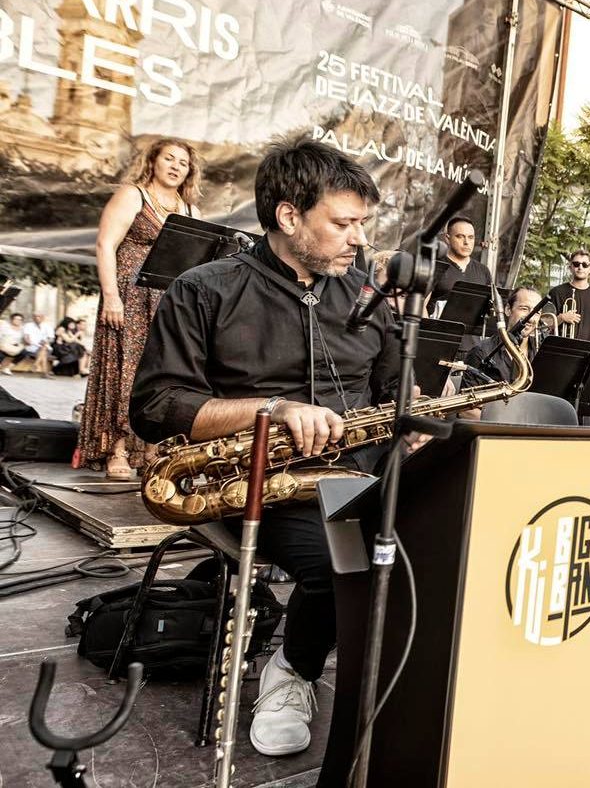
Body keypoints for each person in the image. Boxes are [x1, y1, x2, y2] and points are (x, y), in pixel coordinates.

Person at [130, 137, 399, 757]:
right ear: (288, 216)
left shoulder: (363, 294)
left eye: (362, 223)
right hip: (257, 480)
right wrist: (271, 410)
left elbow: (391, 392)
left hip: (358, 471)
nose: (359, 239)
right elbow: (156, 405)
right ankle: (293, 669)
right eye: (343, 224)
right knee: (342, 566)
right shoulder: (204, 289)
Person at [77, 138, 202, 479]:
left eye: (183, 163)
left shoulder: (191, 211)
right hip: (128, 293)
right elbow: (105, 244)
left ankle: (150, 449)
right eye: (169, 159)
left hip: (167, 299)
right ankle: (117, 449)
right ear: (154, 161)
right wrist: (111, 296)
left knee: (159, 371)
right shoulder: (133, 195)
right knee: (123, 367)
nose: (176, 166)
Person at [459, 287, 542, 387]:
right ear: (508, 310)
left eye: (537, 312)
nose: (531, 318)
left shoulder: (542, 351)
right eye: (524, 309)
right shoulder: (481, 352)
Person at [427, 215, 492, 318]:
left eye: (471, 237)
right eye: (460, 236)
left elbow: (489, 309)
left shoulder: (483, 271)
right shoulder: (435, 266)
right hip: (438, 327)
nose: (466, 242)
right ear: (447, 238)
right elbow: (421, 305)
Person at [547, 248, 590, 343]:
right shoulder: (556, 292)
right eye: (576, 264)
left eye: (585, 265)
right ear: (570, 267)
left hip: (589, 350)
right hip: (562, 348)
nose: (580, 267)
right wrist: (561, 318)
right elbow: (545, 326)